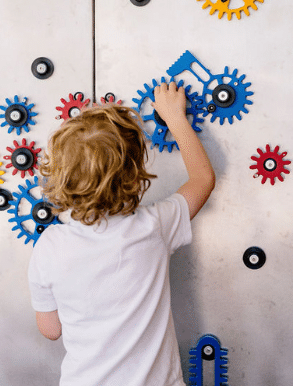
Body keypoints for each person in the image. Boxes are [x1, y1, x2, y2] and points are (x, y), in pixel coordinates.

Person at [28, 81, 216, 386]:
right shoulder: (154, 227)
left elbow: (51, 330)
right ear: (135, 174)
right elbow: (203, 179)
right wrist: (175, 117)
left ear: (60, 177)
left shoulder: (50, 246)